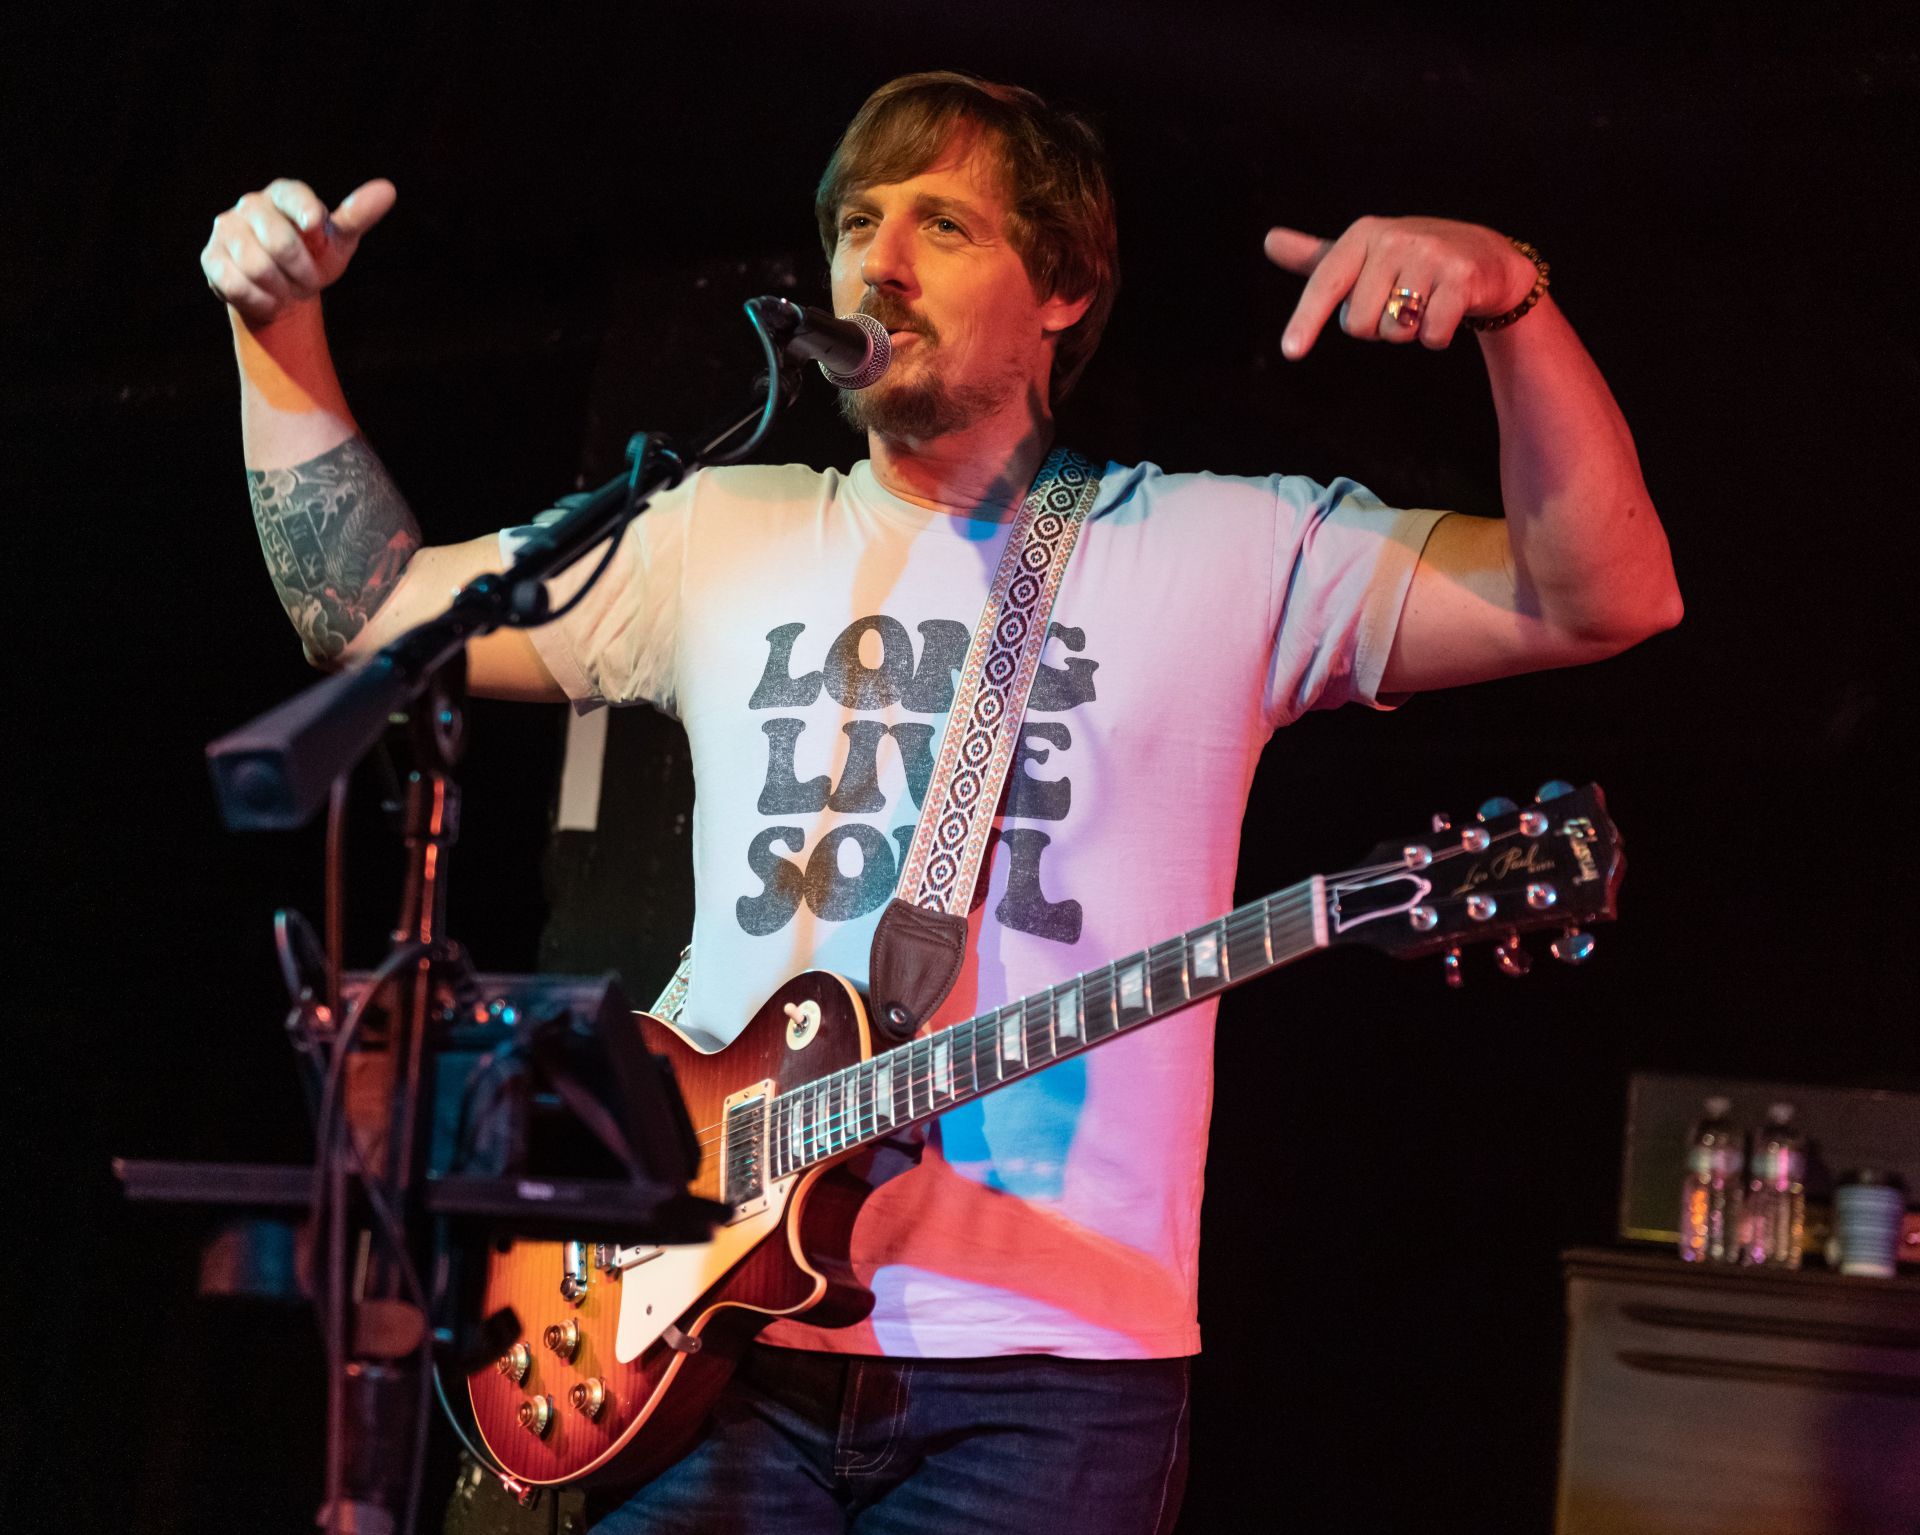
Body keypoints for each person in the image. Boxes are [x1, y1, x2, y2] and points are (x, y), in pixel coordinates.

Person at [203, 71, 1679, 1535]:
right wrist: (275, 334)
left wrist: (1513, 307)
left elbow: (1601, 595)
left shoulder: (1228, 547)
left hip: (1054, 1376)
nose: (877, 261)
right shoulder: (716, 530)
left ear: (1065, 286)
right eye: (856, 220)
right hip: (695, 1336)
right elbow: (370, 611)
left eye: (943, 224)